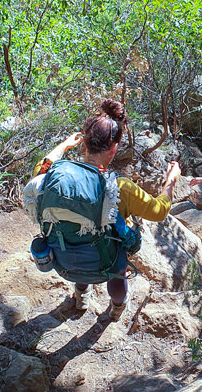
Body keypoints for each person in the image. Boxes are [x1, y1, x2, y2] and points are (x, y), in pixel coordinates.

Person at [33, 99, 181, 320]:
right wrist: (170, 181)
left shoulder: (54, 178)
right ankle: (117, 308)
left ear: (84, 144)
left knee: (77, 233)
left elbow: (42, 166)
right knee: (115, 268)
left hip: (63, 262)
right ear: (114, 148)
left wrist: (64, 145)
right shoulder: (120, 187)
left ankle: (81, 295)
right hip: (104, 263)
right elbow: (159, 211)